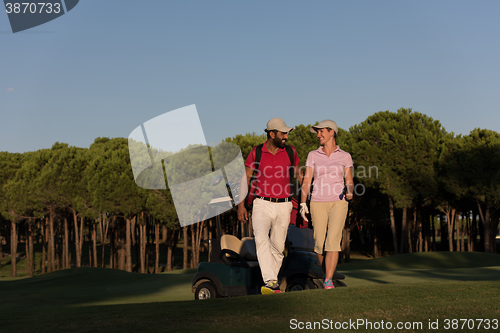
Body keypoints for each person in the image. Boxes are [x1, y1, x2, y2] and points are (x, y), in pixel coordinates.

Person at [237, 117, 302, 294]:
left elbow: (300, 176)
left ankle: (270, 284)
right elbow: (246, 179)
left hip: (284, 205)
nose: (286, 137)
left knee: (278, 246)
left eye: (286, 134)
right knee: (261, 240)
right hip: (261, 204)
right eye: (283, 134)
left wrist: (308, 196)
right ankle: (271, 281)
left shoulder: (291, 152)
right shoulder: (256, 152)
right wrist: (241, 205)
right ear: (272, 134)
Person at [299, 120, 353, 289]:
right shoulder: (313, 155)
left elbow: (349, 180)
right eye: (317, 132)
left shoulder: (345, 156)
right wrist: (302, 202)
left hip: (339, 202)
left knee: (333, 240)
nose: (318, 135)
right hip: (317, 202)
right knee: (319, 243)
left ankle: (328, 280)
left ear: (332, 132)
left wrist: (350, 191)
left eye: (321, 131)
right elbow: (307, 179)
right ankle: (326, 275)